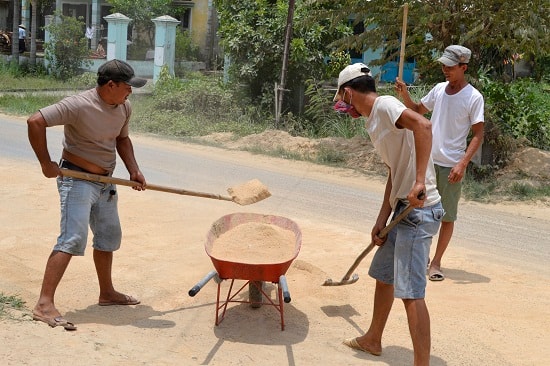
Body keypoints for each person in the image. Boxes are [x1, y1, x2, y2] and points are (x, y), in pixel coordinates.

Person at [334, 63, 443, 366]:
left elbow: (423, 125)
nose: (345, 106)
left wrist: (420, 181)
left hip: (419, 211)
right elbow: (394, 171)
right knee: (384, 277)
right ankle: (373, 339)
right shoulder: (374, 122)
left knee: (411, 293)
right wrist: (382, 217)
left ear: (348, 92)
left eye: (343, 100)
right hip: (400, 210)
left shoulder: (385, 105)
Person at [28, 59, 148, 331]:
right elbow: (35, 121)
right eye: (128, 87)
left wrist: (134, 170)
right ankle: (44, 304)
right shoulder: (78, 105)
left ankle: (107, 293)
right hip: (77, 179)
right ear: (111, 85)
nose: (131, 93)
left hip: (105, 182)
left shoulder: (123, 107)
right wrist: (46, 164)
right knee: (72, 238)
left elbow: (121, 139)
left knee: (108, 236)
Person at [395, 45, 485, 281]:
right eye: (444, 65)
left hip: (451, 166)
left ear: (463, 67)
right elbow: (417, 111)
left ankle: (436, 262)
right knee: (420, 209)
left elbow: (478, 134)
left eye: (450, 66)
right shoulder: (438, 90)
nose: (445, 70)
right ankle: (421, 256)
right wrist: (404, 94)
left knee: (446, 216)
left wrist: (463, 164)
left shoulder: (473, 97)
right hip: (428, 161)